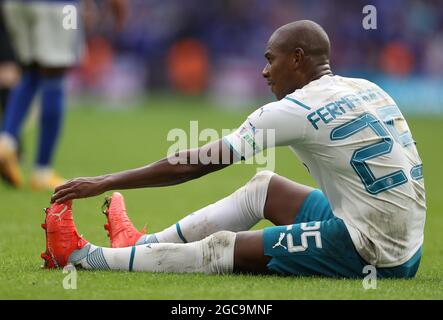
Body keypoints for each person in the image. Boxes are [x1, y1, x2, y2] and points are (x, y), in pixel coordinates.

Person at [45, 20, 426, 278]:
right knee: (265, 186)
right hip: (408, 238)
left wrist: (107, 181)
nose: (264, 71)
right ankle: (139, 244)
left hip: (374, 250)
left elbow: (193, 165)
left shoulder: (293, 109)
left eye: (270, 60)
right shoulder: (368, 88)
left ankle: (84, 258)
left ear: (296, 59)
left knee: (222, 248)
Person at [0, 0, 128, 190]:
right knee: (55, 76)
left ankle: (6, 141)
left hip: (15, 6)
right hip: (59, 7)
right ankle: (42, 170)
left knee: (31, 71)